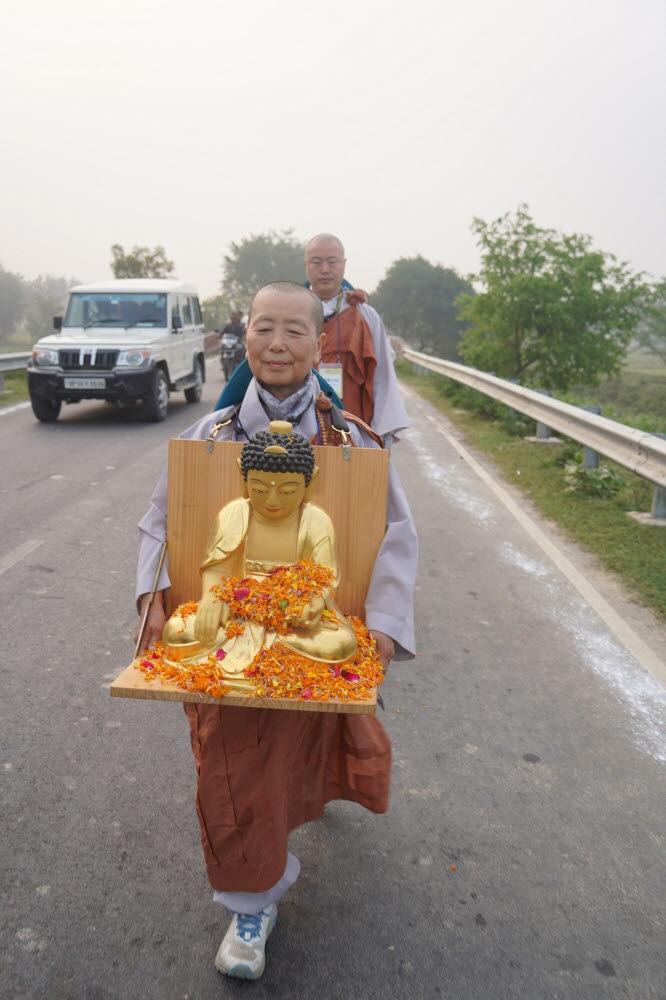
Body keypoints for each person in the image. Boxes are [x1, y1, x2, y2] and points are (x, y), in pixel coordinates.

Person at [134, 281, 417, 980]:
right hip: (229, 634)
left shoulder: (349, 441)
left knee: (304, 729)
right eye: (264, 328)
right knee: (232, 767)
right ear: (246, 338)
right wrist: (154, 601)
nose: (278, 344)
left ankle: (271, 853)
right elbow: (163, 526)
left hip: (303, 630)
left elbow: (395, 535)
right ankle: (251, 902)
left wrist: (381, 625)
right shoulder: (210, 438)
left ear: (320, 344)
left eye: (295, 331)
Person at [304, 233, 409, 448]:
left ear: (343, 264)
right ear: (306, 265)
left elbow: (382, 377)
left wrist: (380, 434)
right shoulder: (291, 312)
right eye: (317, 262)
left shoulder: (365, 316)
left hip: (353, 430)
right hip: (299, 429)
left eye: (332, 262)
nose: (325, 269)